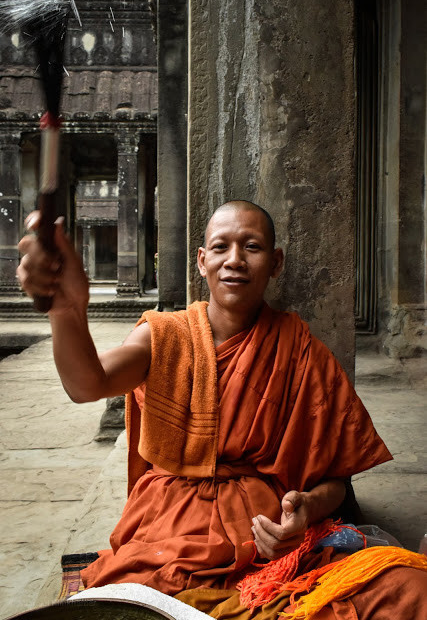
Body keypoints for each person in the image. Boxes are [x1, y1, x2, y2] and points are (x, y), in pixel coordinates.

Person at [17, 201, 427, 620]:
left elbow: (336, 482)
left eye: (252, 247)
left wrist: (304, 511)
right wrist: (67, 310)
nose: (234, 260)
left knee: (409, 591)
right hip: (171, 531)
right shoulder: (164, 337)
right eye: (220, 247)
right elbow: (88, 384)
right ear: (202, 260)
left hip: (267, 542)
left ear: (275, 262)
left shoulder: (301, 350)